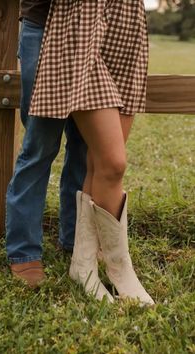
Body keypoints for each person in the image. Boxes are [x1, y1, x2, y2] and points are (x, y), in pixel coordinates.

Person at [26, 0, 155, 305]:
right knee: (113, 163)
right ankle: (120, 269)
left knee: (97, 162)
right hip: (79, 18)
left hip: (128, 19)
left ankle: (82, 266)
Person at [5, 0, 88, 287]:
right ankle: (23, 250)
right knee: (40, 145)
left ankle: (74, 239)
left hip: (92, 28)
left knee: (84, 145)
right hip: (44, 23)